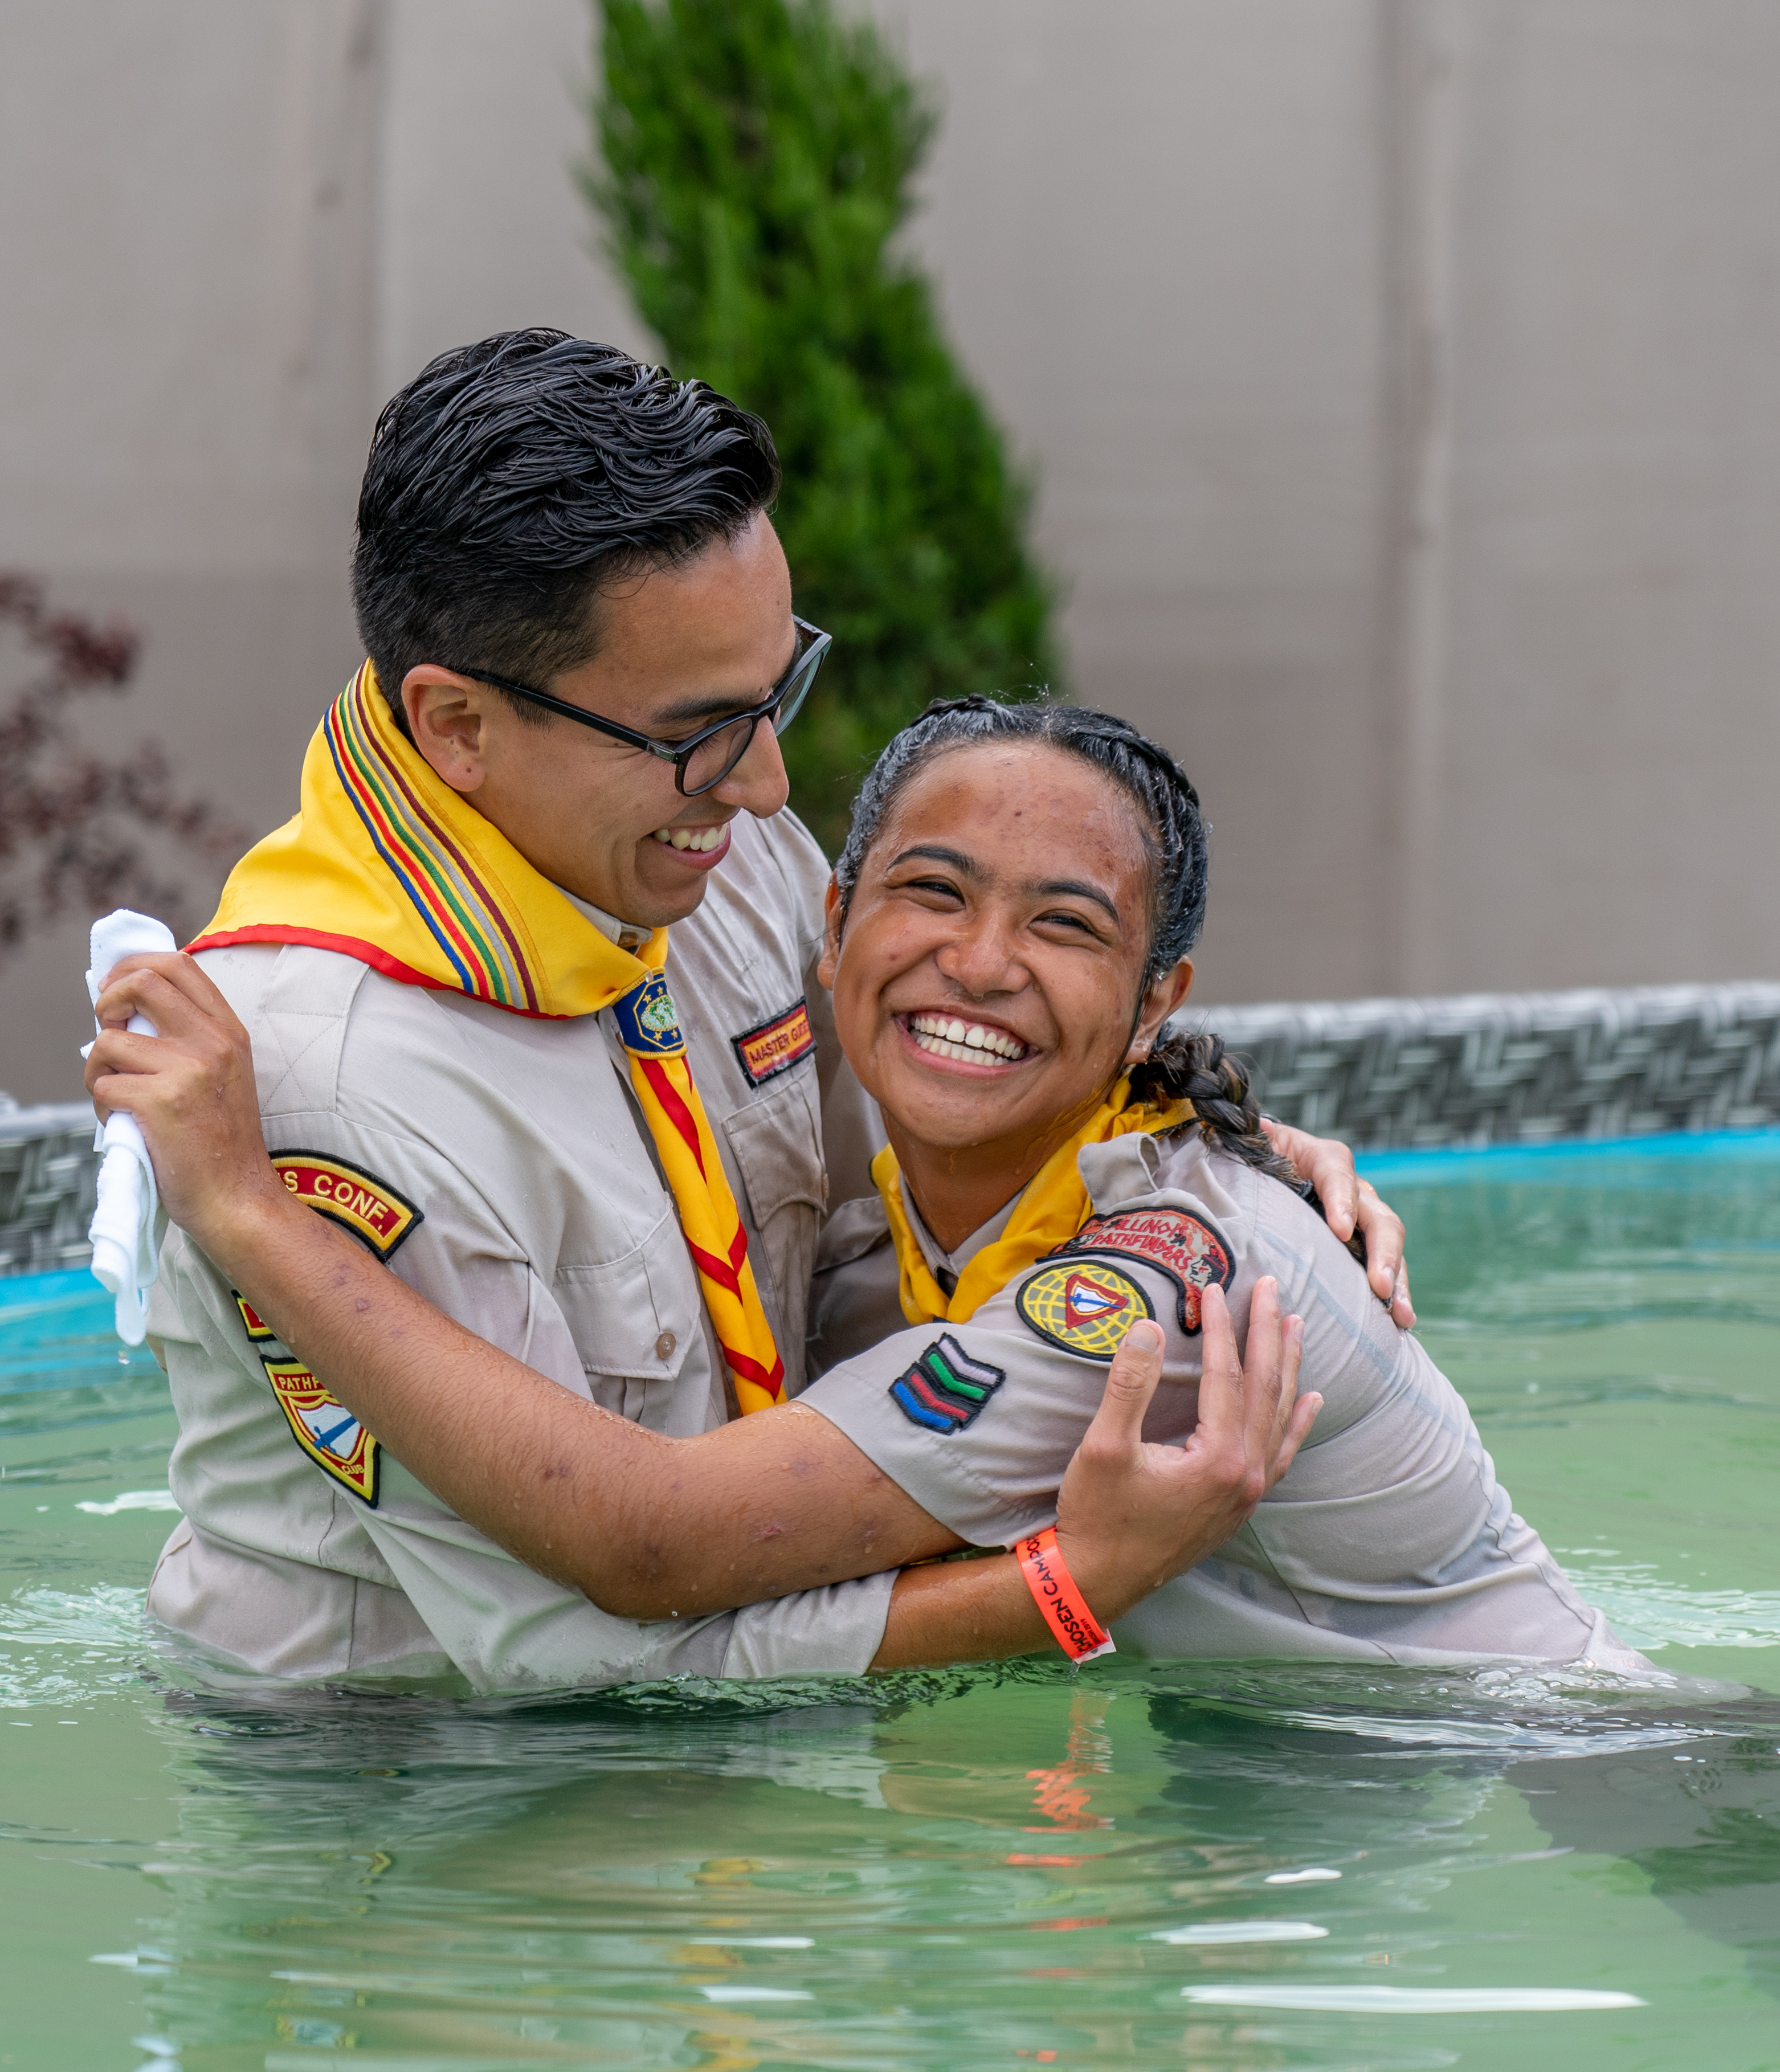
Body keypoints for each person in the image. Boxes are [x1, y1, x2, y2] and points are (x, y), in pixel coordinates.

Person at [101, 329, 1386, 1691]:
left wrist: (1190, 1162)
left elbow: (887, 1196)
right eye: (699, 730)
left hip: (747, 1714)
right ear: (458, 725)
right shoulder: (329, 1087)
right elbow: (580, 1646)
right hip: (431, 1803)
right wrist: (1060, 1592)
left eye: (779, 689)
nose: (770, 785)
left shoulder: (687, 848)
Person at [93, 697, 1642, 1675]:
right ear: (827, 920)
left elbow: (659, 1544)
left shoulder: (1152, 1285)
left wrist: (243, 1209)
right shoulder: (902, 1228)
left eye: (1063, 926)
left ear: (1155, 998)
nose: (977, 962)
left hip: (1555, 1772)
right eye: (931, 890)